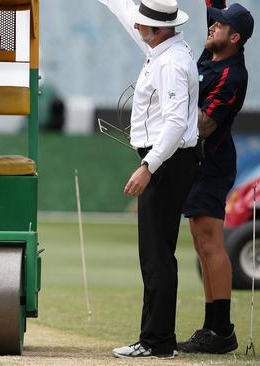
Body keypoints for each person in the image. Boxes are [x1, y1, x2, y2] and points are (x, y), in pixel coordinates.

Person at [100, 0, 199, 358]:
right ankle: (156, 339)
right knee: (156, 254)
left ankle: (157, 342)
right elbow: (128, 15)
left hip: (168, 161)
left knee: (157, 255)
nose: (138, 29)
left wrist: (148, 166)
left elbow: (174, 124)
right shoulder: (163, 45)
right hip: (166, 160)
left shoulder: (171, 63)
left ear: (158, 30)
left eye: (144, 26)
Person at [179, 1, 253, 354]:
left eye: (219, 25)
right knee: (201, 242)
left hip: (213, 163)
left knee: (210, 243)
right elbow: (215, 7)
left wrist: (178, 96)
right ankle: (212, 328)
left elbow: (204, 127)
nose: (211, 27)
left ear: (234, 37)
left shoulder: (232, 76)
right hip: (201, 163)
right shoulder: (215, 51)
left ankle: (222, 331)